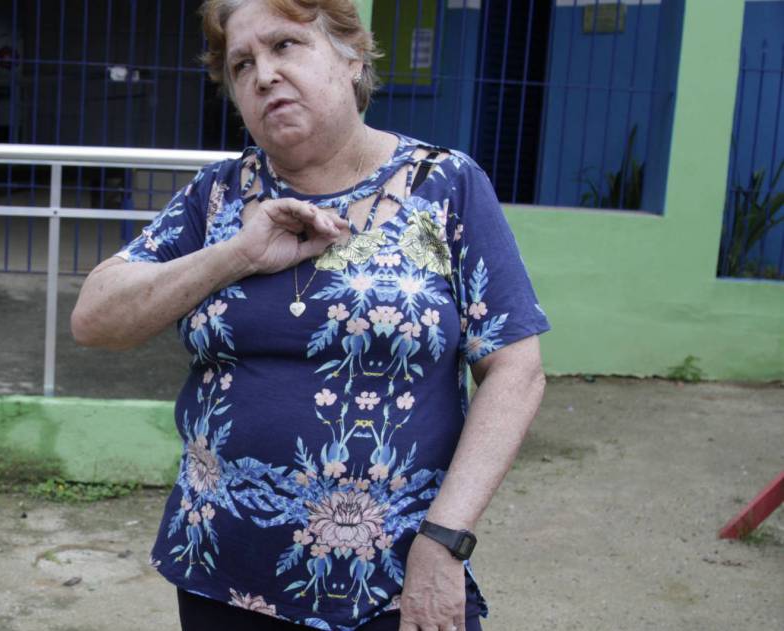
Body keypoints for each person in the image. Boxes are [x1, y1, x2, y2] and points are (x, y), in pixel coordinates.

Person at [71, 1, 549, 629]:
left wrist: (445, 539)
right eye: (242, 64)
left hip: (393, 581)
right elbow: (94, 319)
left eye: (285, 45)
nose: (264, 75)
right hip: (221, 571)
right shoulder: (218, 196)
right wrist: (236, 255)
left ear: (352, 57)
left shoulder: (444, 186)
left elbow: (515, 370)